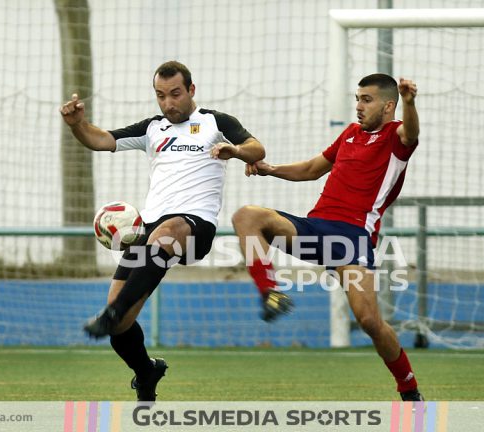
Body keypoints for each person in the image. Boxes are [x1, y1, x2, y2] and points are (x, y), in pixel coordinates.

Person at [59, 61, 265, 401]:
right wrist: (77, 124)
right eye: (160, 96)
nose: (168, 104)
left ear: (191, 91)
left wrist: (236, 151)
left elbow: (257, 148)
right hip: (150, 229)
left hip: (193, 225)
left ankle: (111, 313)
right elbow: (100, 140)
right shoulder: (152, 128)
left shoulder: (216, 122)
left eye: (175, 94)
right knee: (121, 325)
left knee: (164, 236)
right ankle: (146, 371)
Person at [231, 73, 424, 401]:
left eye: (367, 100)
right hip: (316, 230)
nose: (359, 106)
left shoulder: (396, 137)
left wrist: (410, 102)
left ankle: (409, 389)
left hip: (353, 241)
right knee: (246, 216)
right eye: (357, 99)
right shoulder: (350, 134)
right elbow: (310, 169)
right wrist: (270, 168)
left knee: (369, 321)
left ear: (388, 105)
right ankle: (272, 293)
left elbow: (412, 132)